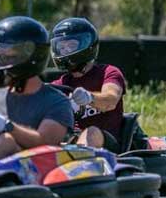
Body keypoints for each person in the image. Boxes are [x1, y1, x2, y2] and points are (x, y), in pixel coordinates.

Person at [0, 16, 74, 172]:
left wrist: (7, 126)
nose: (0, 63)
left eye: (9, 57)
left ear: (30, 57)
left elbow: (46, 143)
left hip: (30, 173)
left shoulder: (57, 102)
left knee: (5, 141)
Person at [49, 17, 127, 152]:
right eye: (62, 47)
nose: (66, 51)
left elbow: (110, 100)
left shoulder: (108, 72)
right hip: (73, 143)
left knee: (91, 132)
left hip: (109, 145)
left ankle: (81, 162)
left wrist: (89, 98)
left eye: (71, 46)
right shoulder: (60, 84)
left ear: (87, 45)